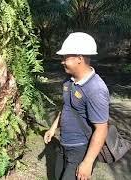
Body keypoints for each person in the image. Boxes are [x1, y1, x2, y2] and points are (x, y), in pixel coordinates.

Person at [44, 32, 109, 180]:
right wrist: (54, 127)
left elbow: (101, 128)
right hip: (64, 143)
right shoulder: (69, 81)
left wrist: (87, 162)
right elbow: (67, 106)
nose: (62, 61)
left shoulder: (96, 89)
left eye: (65, 57)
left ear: (80, 58)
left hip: (81, 149)